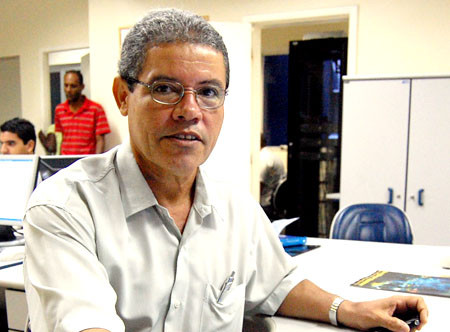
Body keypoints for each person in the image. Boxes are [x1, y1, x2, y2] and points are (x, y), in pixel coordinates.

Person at [23, 8, 428, 332]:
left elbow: (277, 286)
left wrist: (349, 308)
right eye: (165, 89)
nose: (190, 111)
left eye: (209, 92)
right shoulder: (64, 209)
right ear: (122, 96)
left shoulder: (235, 208)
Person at [54, 70, 111, 154]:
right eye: (66, 85)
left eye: (73, 86)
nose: (68, 90)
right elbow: (61, 138)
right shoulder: (59, 110)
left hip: (87, 163)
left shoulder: (96, 109)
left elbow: (100, 140)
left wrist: (96, 163)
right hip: (66, 162)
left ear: (82, 87)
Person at [260, 134, 286, 219]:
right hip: (276, 203)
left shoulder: (264, 157)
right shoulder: (272, 155)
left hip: (266, 205)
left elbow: (259, 185)